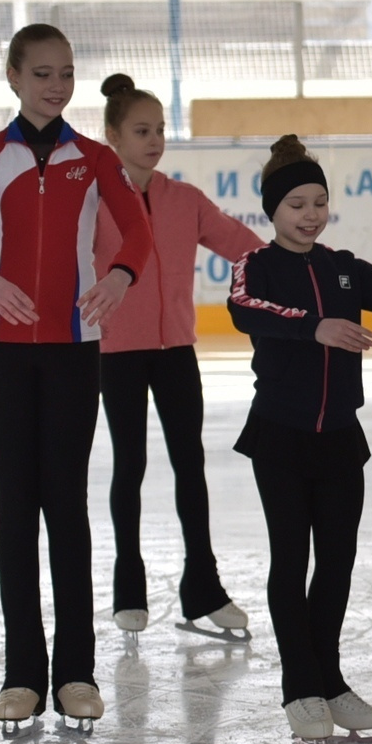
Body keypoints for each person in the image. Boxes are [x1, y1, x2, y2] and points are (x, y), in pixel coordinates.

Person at [0, 25, 153, 735]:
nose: (56, 85)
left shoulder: (94, 157)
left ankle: (76, 673)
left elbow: (136, 230)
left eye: (66, 73)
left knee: (66, 506)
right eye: (41, 73)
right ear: (13, 75)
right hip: (1, 348)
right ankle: (21, 674)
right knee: (17, 507)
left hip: (75, 346)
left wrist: (120, 277)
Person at [226, 135, 372, 744]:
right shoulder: (257, 266)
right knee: (291, 558)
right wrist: (314, 327)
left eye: (319, 201)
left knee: (339, 562)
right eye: (297, 203)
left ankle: (330, 678)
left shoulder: (343, 267)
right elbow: (244, 309)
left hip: (341, 439)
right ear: (273, 209)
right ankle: (300, 685)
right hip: (281, 437)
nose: (310, 214)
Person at [92, 72, 260, 643]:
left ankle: (203, 588)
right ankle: (128, 589)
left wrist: (303, 258)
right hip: (115, 353)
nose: (154, 139)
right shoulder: (95, 203)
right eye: (141, 130)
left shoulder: (182, 199)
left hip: (176, 353)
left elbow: (242, 243)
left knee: (191, 466)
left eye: (160, 129)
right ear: (111, 135)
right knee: (130, 467)